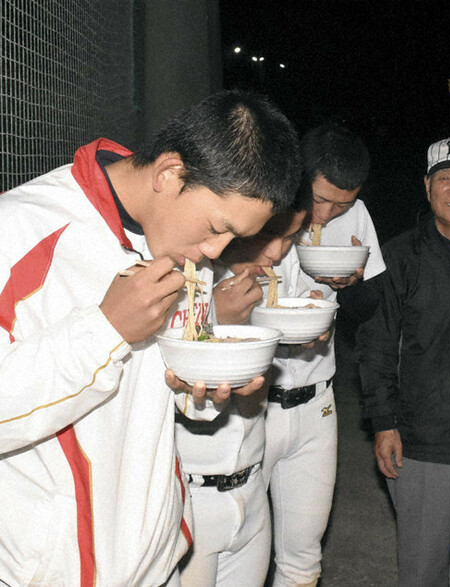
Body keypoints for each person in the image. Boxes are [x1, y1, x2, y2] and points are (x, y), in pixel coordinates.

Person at [0, 90, 300, 586]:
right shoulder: (19, 230)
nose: (215, 251)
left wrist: (205, 385)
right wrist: (107, 329)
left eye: (233, 239)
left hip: (156, 564)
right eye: (216, 229)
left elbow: (181, 394)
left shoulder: (186, 247)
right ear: (169, 174)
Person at [357, 136, 450, 586]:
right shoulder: (400, 256)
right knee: (423, 572)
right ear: (427, 186)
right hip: (424, 443)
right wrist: (383, 421)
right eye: (445, 178)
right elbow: (377, 344)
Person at [262, 123, 386, 587]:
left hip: (317, 400)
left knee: (302, 558)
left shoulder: (353, 216)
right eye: (321, 199)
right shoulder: (261, 207)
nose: (330, 213)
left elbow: (371, 306)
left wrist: (350, 286)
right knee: (243, 553)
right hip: (254, 404)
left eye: (344, 203)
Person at [175, 200, 312, 586]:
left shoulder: (257, 287)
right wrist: (216, 320)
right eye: (268, 234)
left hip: (251, 491)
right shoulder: (187, 276)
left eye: (289, 238)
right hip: (191, 497)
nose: (276, 253)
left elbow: (252, 400)